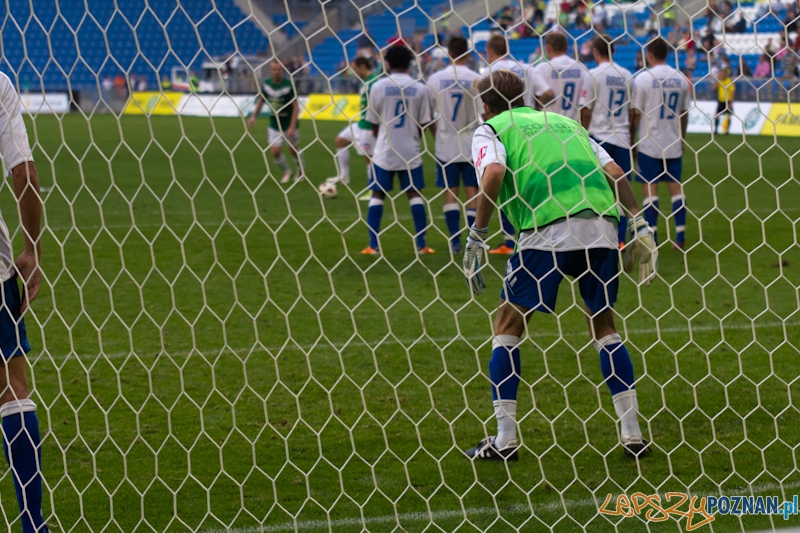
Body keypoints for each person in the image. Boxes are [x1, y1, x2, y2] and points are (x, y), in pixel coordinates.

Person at [462, 69, 657, 461]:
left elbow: (495, 172)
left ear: (485, 105)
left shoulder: (492, 129)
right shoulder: (565, 122)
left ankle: (504, 440)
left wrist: (477, 234)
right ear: (526, 98)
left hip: (545, 228)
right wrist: (638, 221)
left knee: (507, 324)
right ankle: (632, 433)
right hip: (602, 224)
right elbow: (615, 171)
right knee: (603, 324)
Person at [0, 70, 47, 532]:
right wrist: (31, 248)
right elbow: (24, 175)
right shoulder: (0, 85)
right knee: (12, 387)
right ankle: (33, 525)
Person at [484, 34, 554, 255]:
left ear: (490, 51)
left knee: (506, 185)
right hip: (531, 132)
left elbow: (485, 110)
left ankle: (509, 240)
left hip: (505, 132)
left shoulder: (490, 72)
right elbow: (549, 93)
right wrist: (535, 110)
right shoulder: (528, 68)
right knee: (533, 181)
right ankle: (538, 233)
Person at [362, 45, 435, 256]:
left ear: (387, 63)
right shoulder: (420, 87)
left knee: (377, 194)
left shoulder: (378, 86)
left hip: (385, 148)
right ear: (410, 63)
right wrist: (412, 138)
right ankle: (421, 245)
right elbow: (424, 122)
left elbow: (373, 122)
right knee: (415, 195)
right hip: (410, 149)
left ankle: (372, 245)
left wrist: (382, 138)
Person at [631, 37, 690, 249]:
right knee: (676, 189)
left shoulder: (643, 79)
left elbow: (636, 114)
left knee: (650, 189)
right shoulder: (681, 78)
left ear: (650, 55)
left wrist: (632, 141)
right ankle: (680, 237)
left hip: (649, 143)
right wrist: (681, 138)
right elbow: (684, 113)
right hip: (672, 142)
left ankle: (653, 239)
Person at [428, 36, 483, 254]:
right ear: (467, 53)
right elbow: (483, 112)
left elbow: (429, 115)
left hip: (445, 143)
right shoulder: (475, 79)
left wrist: (436, 134)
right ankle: (473, 241)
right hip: (470, 142)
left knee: (450, 192)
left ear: (449, 53)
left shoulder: (435, 79)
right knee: (473, 192)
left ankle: (454, 241)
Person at [587, 35, 635, 246]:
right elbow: (633, 112)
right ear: (613, 51)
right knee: (621, 191)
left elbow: (585, 109)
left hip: (598, 138)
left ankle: (600, 237)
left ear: (596, 52)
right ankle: (621, 239)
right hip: (622, 138)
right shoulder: (627, 75)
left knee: (597, 191)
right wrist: (633, 138)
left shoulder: (593, 75)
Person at [248, 60, 305, 184]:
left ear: (283, 70)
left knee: (292, 149)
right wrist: (253, 116)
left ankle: (301, 170)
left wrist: (292, 126)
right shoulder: (267, 84)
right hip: (274, 124)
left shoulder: (289, 85)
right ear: (270, 70)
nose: (276, 72)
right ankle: (286, 171)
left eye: (278, 70)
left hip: (289, 123)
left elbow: (296, 107)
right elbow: (261, 100)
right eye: (274, 69)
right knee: (275, 151)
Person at [332, 58, 378, 189]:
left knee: (369, 157)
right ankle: (344, 176)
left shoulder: (374, 83)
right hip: (360, 123)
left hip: (369, 125)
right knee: (340, 141)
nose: (354, 72)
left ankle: (373, 187)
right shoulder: (365, 82)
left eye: (355, 69)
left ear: (362, 67)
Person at [534, 31, 594, 125]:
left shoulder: (542, 69)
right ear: (566, 47)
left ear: (548, 48)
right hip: (573, 127)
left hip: (549, 126)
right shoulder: (581, 68)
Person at [713, 64, 735, 134]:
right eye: (720, 74)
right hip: (720, 101)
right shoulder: (719, 81)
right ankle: (716, 130)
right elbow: (714, 88)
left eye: (722, 74)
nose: (721, 75)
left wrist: (731, 102)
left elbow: (732, 92)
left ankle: (727, 131)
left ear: (725, 74)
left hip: (727, 101)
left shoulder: (729, 81)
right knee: (716, 115)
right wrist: (718, 80)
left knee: (728, 116)